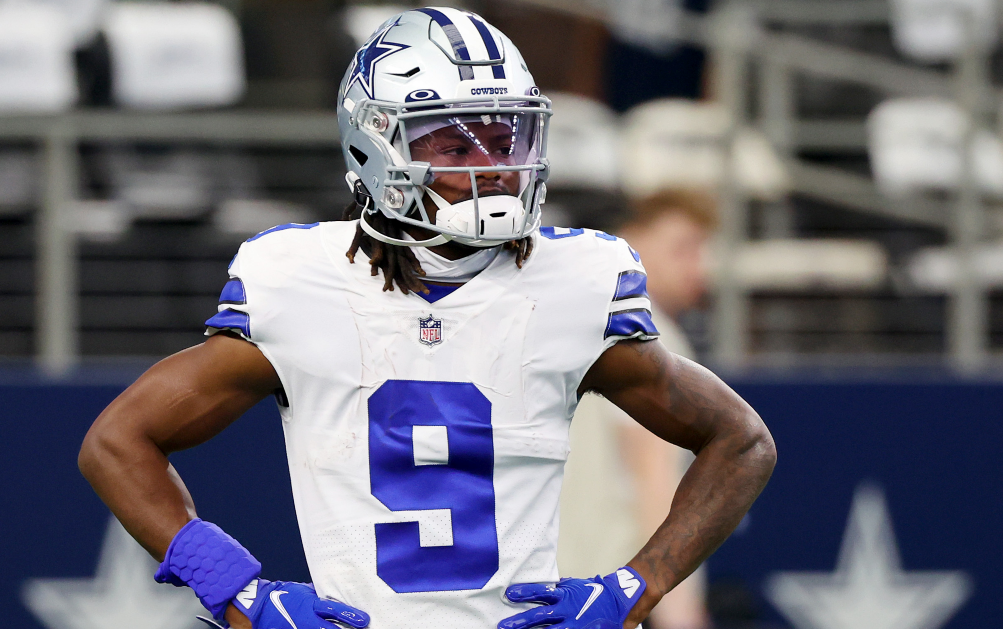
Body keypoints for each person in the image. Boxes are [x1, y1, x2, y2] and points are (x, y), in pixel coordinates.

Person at [77, 9, 775, 629]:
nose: (495, 168)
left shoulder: (571, 284)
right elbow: (117, 442)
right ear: (375, 147)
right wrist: (235, 588)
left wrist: (633, 586)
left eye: (507, 138)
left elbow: (741, 440)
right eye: (456, 144)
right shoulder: (301, 281)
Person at [558, 188, 718, 629]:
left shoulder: (580, 326)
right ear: (630, 242)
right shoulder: (653, 339)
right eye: (682, 249)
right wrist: (681, 614)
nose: (699, 267)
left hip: (558, 594)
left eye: (702, 251)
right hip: (615, 599)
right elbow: (656, 483)